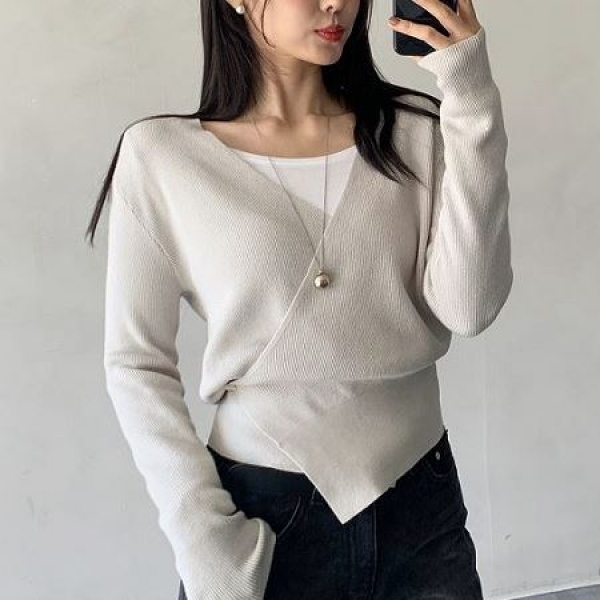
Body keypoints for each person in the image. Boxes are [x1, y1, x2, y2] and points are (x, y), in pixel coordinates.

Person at [86, 0, 512, 598]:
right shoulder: (163, 157)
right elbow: (136, 363)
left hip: (421, 508)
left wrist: (471, 95)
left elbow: (469, 308)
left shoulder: (416, 130)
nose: (336, 3)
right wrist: (200, 536)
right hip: (264, 516)